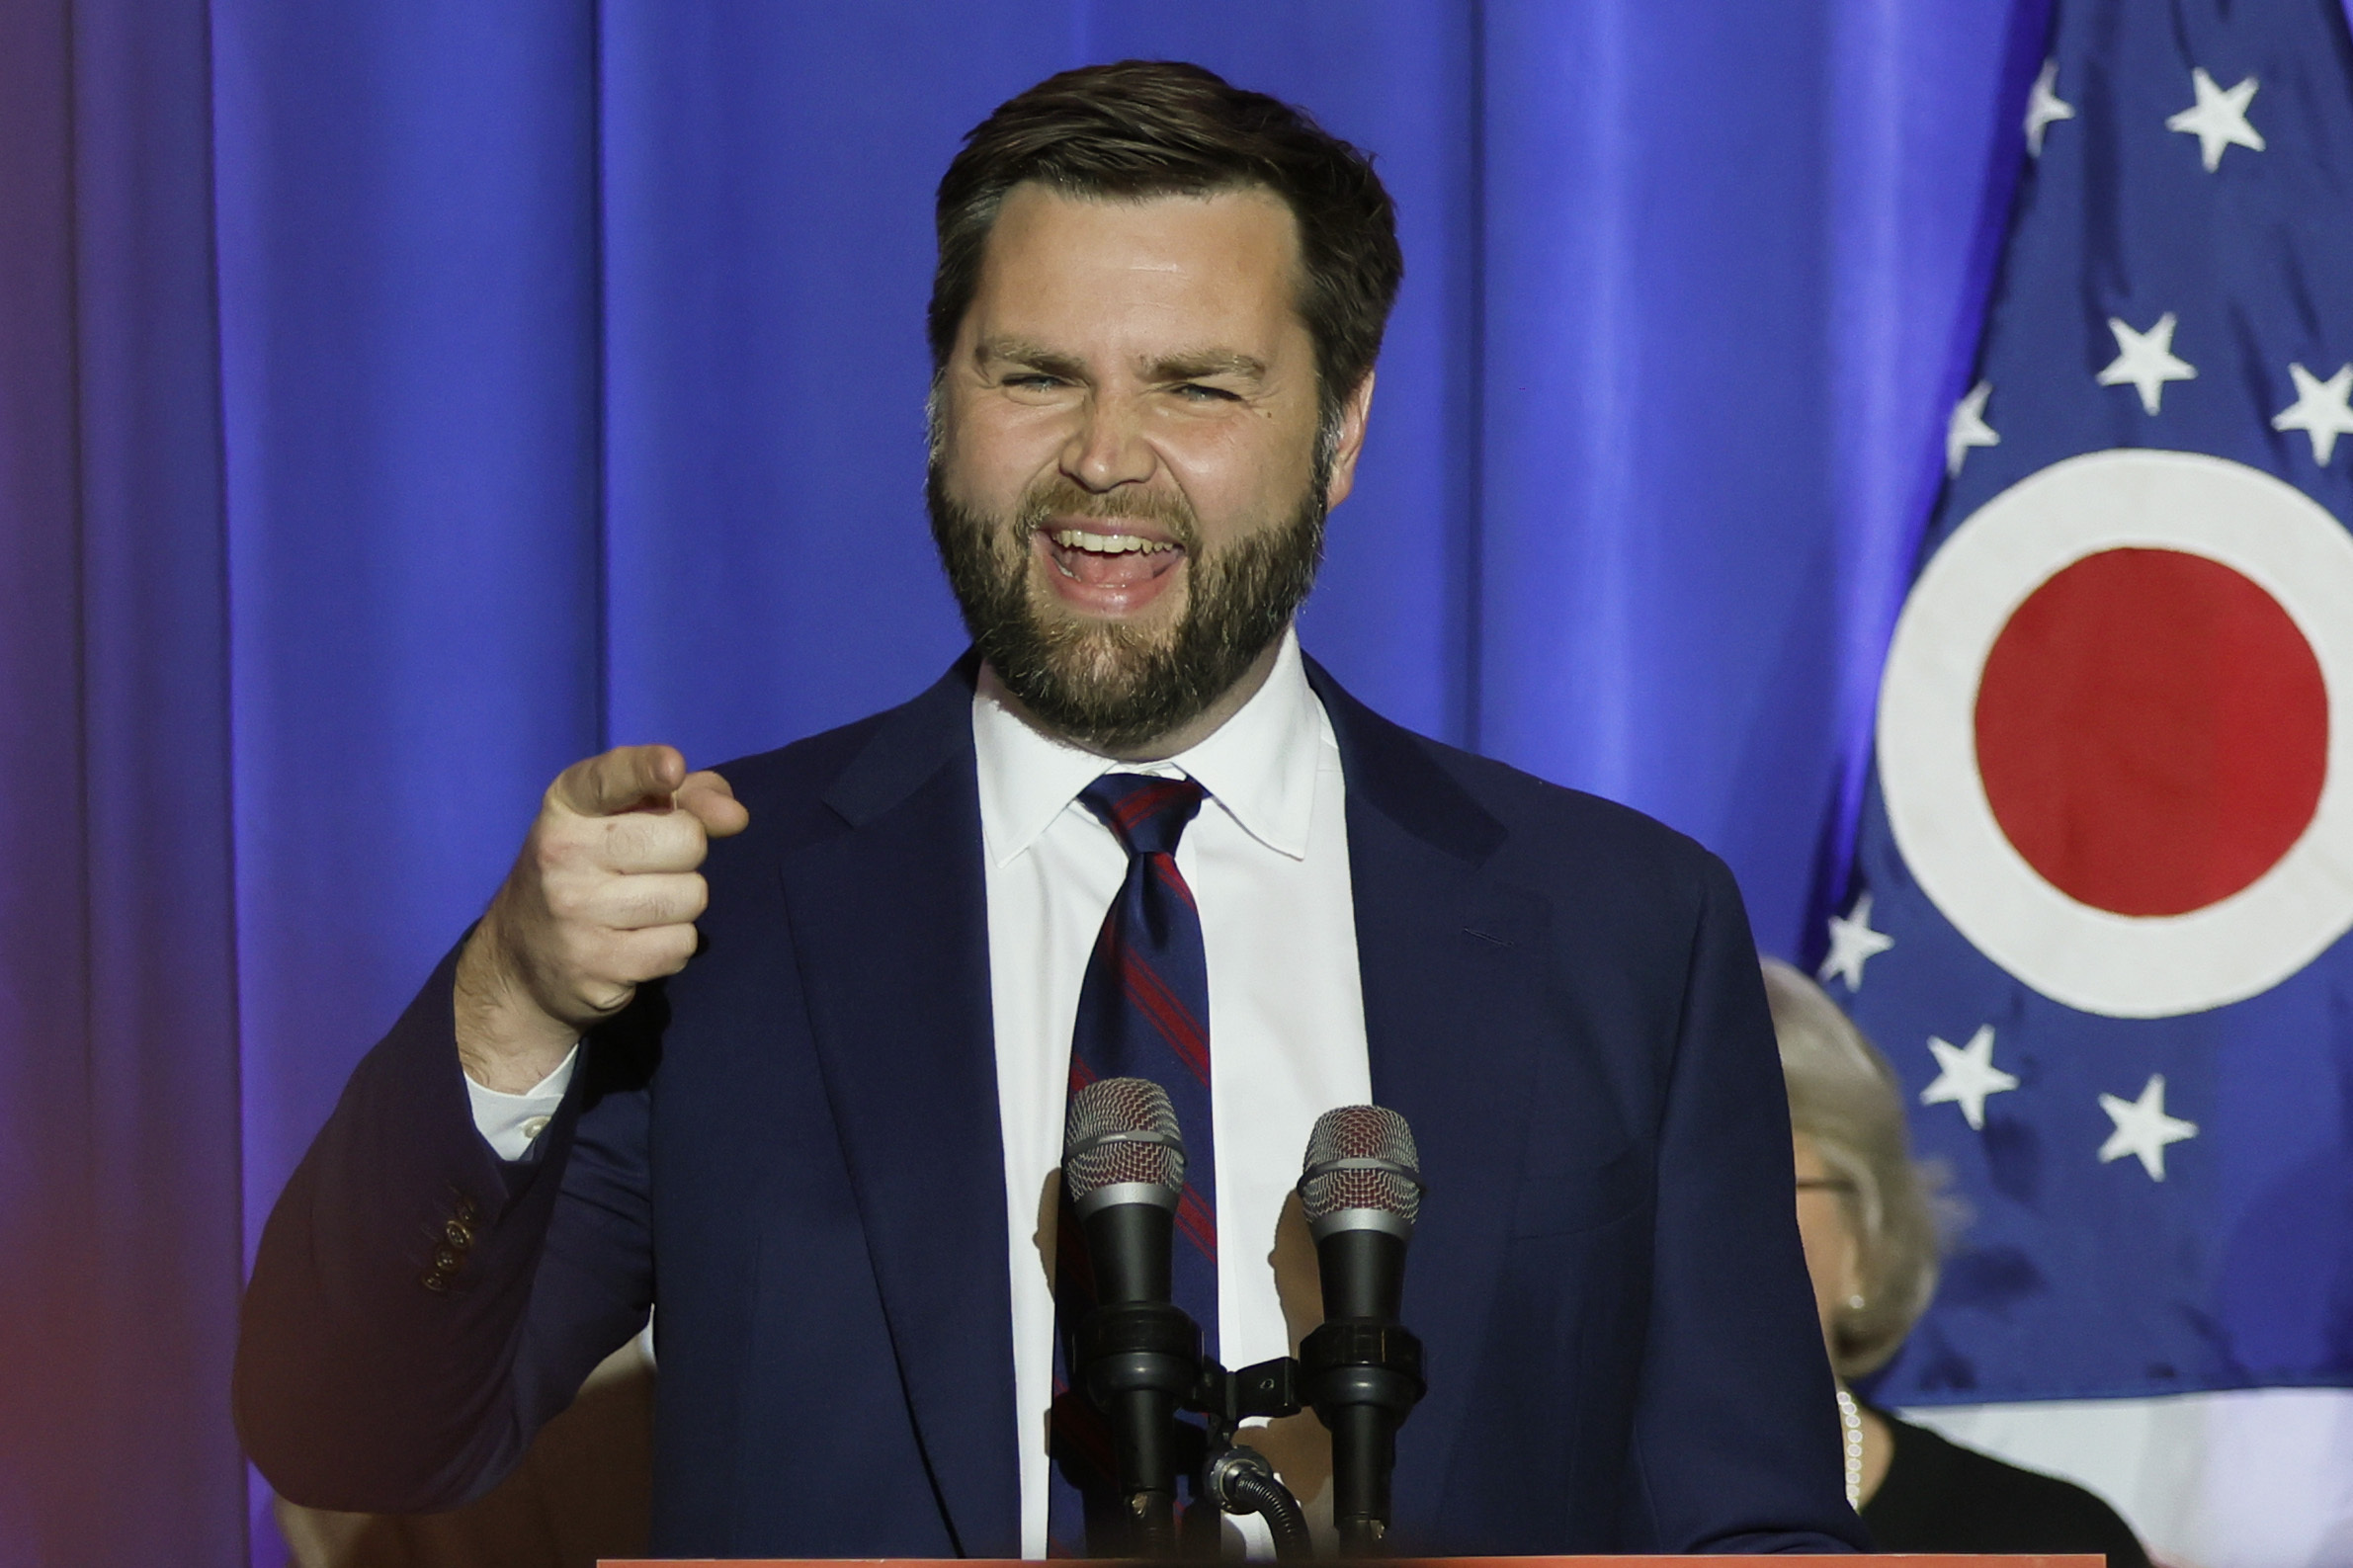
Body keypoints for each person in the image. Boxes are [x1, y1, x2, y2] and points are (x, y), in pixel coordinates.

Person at [235, 60, 1864, 1558]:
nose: (1105, 458)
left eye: (1198, 388)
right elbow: (354, 1422)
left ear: (1343, 427)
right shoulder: (730, 917)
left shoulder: (1621, 928)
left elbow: (1750, 1525)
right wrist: (510, 997)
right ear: (943, 403)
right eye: (1032, 374)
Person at [1763, 956, 2151, 1563]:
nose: (1689, 1232)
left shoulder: (2048, 1537)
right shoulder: (1559, 1526)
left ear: (1863, 1239)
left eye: (1749, 1183)